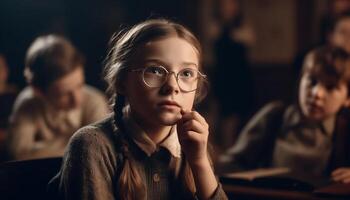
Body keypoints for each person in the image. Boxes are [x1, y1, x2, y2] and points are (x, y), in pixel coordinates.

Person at [49, 19, 228, 200]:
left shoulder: (192, 144)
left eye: (186, 73)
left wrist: (199, 162)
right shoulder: (93, 144)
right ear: (121, 81)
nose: (172, 86)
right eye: (155, 70)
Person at [218, 46, 350, 183]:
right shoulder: (275, 116)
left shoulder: (345, 131)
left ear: (347, 98)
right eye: (312, 81)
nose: (317, 94)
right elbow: (230, 162)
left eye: (331, 87)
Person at [6, 35, 109, 160]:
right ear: (39, 91)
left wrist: (41, 148)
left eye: (79, 85)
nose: (77, 99)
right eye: (63, 94)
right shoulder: (27, 103)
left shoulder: (94, 102)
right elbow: (18, 155)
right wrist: (78, 145)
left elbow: (98, 154)